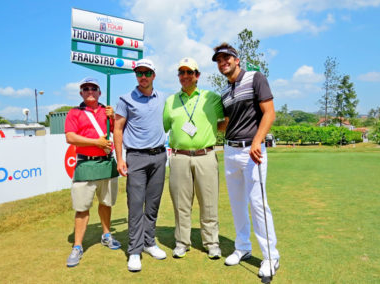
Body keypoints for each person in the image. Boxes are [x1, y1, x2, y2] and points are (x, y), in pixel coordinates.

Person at [212, 43, 280, 278]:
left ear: (236, 59)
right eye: (219, 60)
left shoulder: (255, 78)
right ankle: (243, 248)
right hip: (230, 151)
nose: (223, 63)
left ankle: (271, 256)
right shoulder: (225, 93)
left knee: (258, 204)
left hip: (252, 152)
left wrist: (256, 141)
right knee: (237, 203)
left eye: (226, 58)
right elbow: (228, 123)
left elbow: (269, 112)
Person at [163, 57, 224, 260]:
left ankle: (212, 243)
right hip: (179, 157)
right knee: (181, 203)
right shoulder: (170, 101)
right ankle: (182, 242)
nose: (186, 76)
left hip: (205, 155)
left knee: (208, 202)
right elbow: (163, 127)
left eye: (190, 72)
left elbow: (226, 121)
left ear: (197, 75)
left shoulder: (212, 98)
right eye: (182, 72)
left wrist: (212, 131)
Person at [114, 59, 167, 272]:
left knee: (152, 204)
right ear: (136, 76)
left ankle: (149, 242)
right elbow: (118, 130)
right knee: (136, 205)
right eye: (139, 73)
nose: (143, 77)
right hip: (135, 157)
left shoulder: (163, 98)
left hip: (159, 157)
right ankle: (134, 250)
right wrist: (120, 159)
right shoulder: (125, 99)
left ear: (154, 75)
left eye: (147, 73)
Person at [64, 77, 121, 267]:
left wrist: (114, 117)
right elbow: (71, 137)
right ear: (81, 92)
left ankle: (106, 235)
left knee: (106, 203)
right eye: (86, 88)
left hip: (106, 164)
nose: (90, 91)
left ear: (99, 92)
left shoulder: (107, 111)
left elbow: (120, 130)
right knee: (82, 208)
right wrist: (96, 142)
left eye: (93, 88)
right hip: (85, 165)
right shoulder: (74, 112)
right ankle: (78, 246)